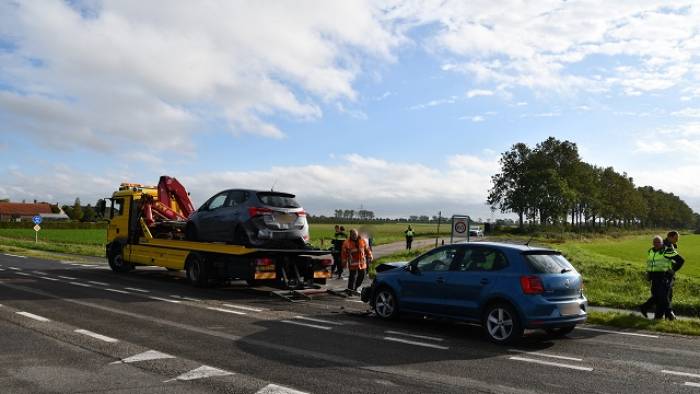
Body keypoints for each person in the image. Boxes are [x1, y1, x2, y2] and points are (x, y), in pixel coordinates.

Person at [640, 234, 683, 320]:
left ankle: (670, 315)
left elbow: (681, 260)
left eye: (658, 242)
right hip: (654, 276)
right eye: (654, 242)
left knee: (663, 296)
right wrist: (648, 274)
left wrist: (672, 270)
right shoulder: (651, 251)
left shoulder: (667, 250)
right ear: (652, 243)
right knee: (656, 296)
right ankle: (651, 312)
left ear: (662, 242)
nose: (656, 244)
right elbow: (650, 263)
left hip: (664, 276)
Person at [341, 228, 373, 294]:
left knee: (362, 276)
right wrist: (344, 262)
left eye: (355, 234)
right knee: (352, 277)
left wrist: (370, 255)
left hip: (362, 263)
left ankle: (356, 288)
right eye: (353, 235)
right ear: (350, 235)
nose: (354, 236)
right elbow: (344, 254)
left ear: (357, 234)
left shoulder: (362, 240)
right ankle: (350, 291)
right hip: (353, 263)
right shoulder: (346, 243)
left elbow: (367, 249)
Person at [663, 230, 685, 320]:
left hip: (665, 273)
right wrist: (673, 270)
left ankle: (667, 315)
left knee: (667, 294)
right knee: (665, 295)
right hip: (665, 274)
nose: (677, 240)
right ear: (670, 237)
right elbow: (680, 260)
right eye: (676, 238)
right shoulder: (667, 246)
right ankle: (670, 315)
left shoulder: (667, 245)